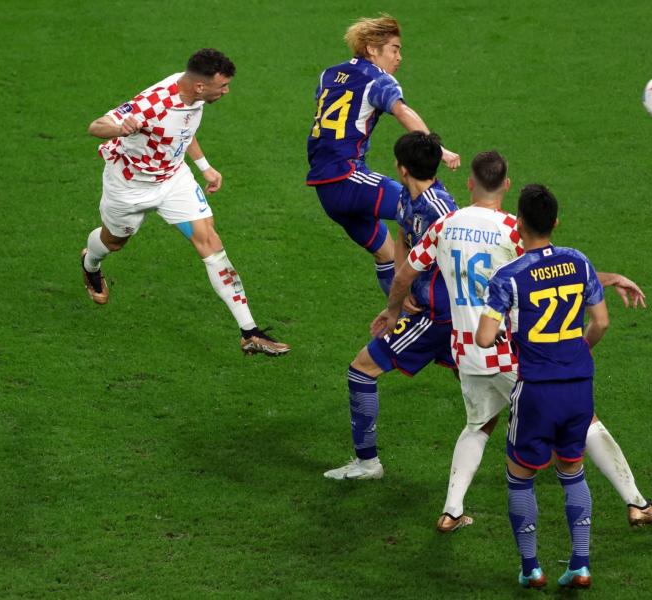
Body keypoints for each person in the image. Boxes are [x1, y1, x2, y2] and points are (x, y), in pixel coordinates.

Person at [374, 151, 652, 533]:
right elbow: (551, 272)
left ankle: (451, 510)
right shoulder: (512, 230)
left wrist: (393, 311)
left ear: (469, 183)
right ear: (507, 185)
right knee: (584, 419)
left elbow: (403, 275)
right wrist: (608, 278)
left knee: (478, 425)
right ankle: (637, 503)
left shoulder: (444, 225)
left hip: (466, 351)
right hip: (513, 352)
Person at [80, 49, 289, 357]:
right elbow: (96, 126)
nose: (227, 91)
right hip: (129, 186)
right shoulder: (153, 104)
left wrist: (204, 166)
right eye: (223, 86)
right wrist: (119, 127)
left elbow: (182, 130)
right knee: (114, 242)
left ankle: (250, 333)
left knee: (211, 243)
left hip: (173, 180)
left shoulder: (195, 96)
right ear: (201, 86)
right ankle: (90, 263)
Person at [476, 184, 607, 589]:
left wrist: (501, 334)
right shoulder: (579, 262)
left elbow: (483, 338)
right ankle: (581, 564)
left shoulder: (509, 276)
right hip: (579, 385)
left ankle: (531, 567)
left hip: (537, 390)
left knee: (520, 475)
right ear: (555, 222)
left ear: (518, 225)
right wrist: (576, 351)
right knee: (573, 470)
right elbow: (600, 322)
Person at [324, 131, 457, 481]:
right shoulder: (407, 199)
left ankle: (368, 463)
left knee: (361, 370)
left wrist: (395, 305)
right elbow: (401, 236)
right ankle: (565, 437)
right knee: (499, 382)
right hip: (436, 310)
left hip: (440, 316)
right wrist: (404, 278)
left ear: (401, 168)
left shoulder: (443, 210)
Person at [306, 14, 460, 295]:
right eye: (395, 49)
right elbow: (401, 111)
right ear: (372, 49)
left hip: (325, 189)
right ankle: (452, 295)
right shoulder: (377, 79)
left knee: (387, 255)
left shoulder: (328, 74)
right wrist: (437, 148)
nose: (399, 57)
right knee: (432, 210)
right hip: (348, 177)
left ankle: (398, 319)